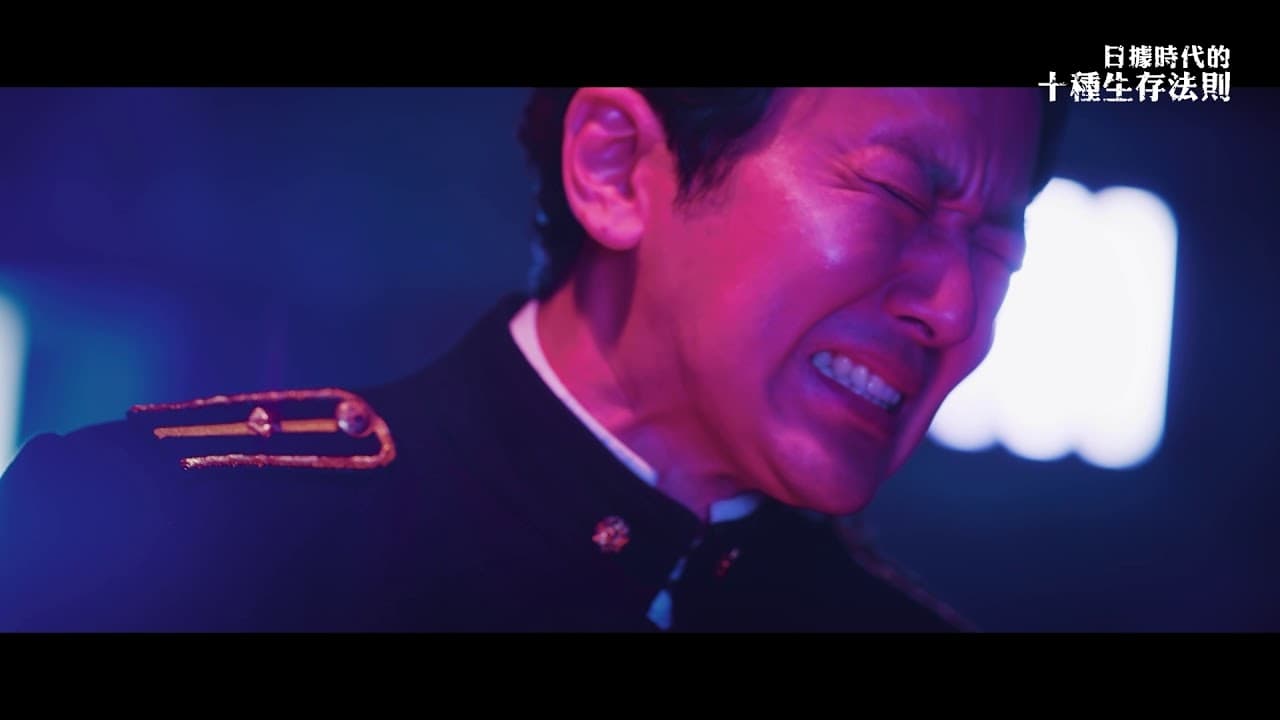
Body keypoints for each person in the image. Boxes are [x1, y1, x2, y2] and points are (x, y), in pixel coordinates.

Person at [0, 87, 1066, 632]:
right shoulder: (164, 535)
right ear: (615, 166)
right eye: (895, 195)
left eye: (996, 245)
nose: (953, 307)